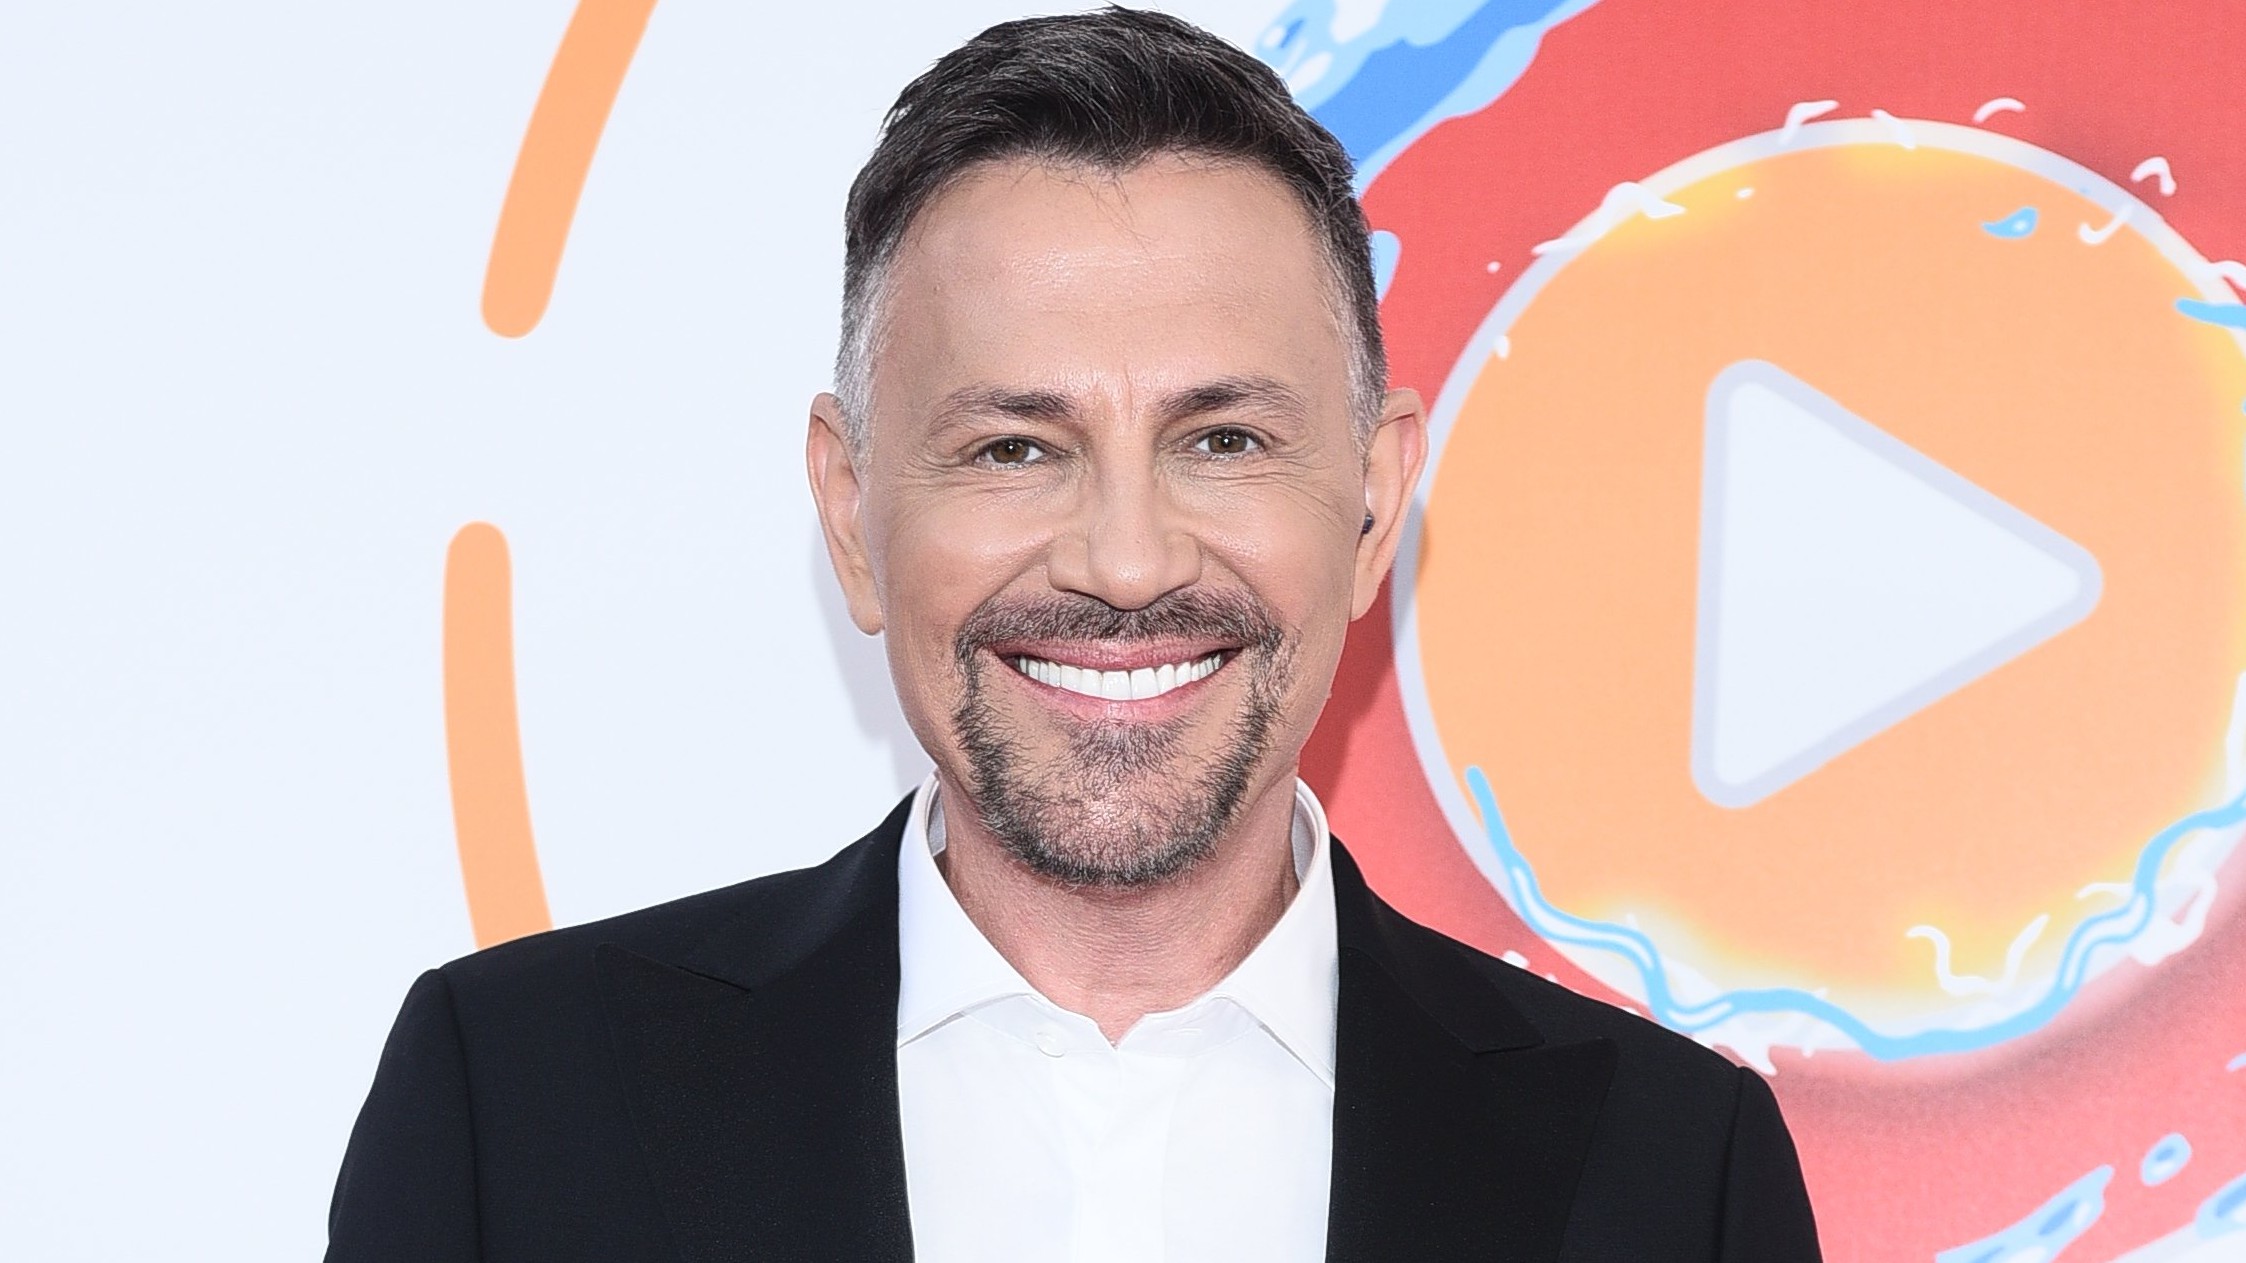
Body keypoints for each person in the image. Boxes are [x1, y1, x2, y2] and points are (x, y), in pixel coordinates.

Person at [326, 8, 1822, 1260]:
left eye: (1223, 442)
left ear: (1373, 507)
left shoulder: (1674, 1172)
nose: (1124, 562)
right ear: (850, 514)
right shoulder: (514, 1106)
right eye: (1014, 449)